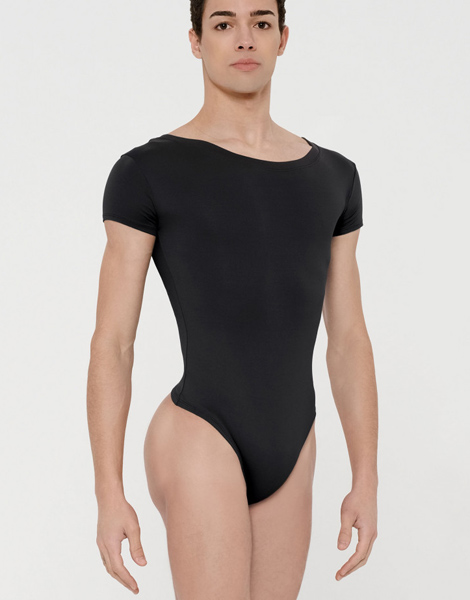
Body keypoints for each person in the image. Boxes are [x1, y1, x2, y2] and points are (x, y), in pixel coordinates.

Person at [87, 1, 379, 597]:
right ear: (196, 41)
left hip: (292, 440)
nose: (244, 38)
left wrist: (366, 475)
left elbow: (348, 339)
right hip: (199, 430)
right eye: (223, 23)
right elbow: (113, 342)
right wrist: (108, 492)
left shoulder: (335, 178)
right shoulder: (146, 172)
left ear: (282, 38)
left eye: (260, 23)